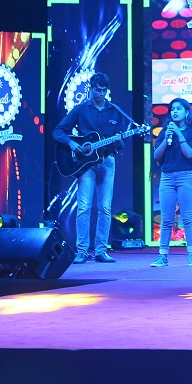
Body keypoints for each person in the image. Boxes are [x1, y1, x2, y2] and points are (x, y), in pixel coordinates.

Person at [53, 72, 130, 264]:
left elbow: (120, 143)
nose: (101, 93)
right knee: (84, 206)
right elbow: (58, 131)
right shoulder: (81, 110)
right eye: (97, 90)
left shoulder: (115, 111)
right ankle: (82, 251)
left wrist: (119, 141)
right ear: (91, 88)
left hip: (107, 161)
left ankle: (101, 251)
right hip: (86, 164)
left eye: (104, 90)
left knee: (105, 208)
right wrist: (72, 144)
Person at [151, 97, 192, 267]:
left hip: (186, 176)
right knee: (166, 219)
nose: (174, 112)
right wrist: (167, 138)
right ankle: (162, 256)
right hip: (167, 177)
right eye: (172, 109)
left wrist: (179, 134)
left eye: (178, 109)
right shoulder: (164, 132)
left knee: (188, 218)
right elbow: (156, 156)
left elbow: (189, 154)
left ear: (187, 112)